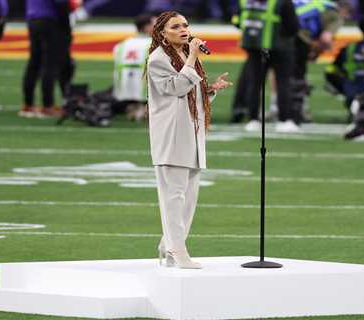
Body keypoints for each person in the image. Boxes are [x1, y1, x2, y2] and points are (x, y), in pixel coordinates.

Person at [146, 11, 232, 268]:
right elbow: (175, 88)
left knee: (189, 196)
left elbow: (190, 92)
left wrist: (210, 90)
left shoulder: (183, 54)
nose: (184, 29)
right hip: (171, 135)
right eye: (176, 26)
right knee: (173, 195)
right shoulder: (157, 59)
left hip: (192, 133)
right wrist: (194, 56)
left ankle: (169, 242)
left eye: (185, 25)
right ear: (163, 32)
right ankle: (176, 249)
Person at [267, 0, 351, 123]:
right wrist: (317, 50)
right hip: (297, 35)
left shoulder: (316, 5)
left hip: (276, 30)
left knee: (276, 69)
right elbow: (326, 39)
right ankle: (299, 108)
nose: (347, 18)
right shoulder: (335, 15)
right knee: (298, 74)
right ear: (343, 9)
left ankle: (275, 106)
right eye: (348, 14)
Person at [237, 0, 300, 133]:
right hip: (280, 48)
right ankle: (284, 119)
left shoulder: (245, 1)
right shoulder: (282, 2)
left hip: (254, 47)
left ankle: (253, 119)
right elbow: (293, 27)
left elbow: (237, 20)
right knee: (283, 83)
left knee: (255, 83)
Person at [324, 15, 364, 117]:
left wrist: (343, 86)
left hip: (351, 91)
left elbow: (331, 70)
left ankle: (353, 104)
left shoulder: (350, 47)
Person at [19, 0, 70, 118]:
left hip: (33, 18)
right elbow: (60, 2)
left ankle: (28, 104)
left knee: (34, 63)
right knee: (50, 64)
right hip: (49, 20)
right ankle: (48, 106)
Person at [112, 14, 155, 121]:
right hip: (144, 89)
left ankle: (135, 106)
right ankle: (146, 108)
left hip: (123, 89)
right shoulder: (153, 44)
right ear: (146, 27)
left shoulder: (122, 44)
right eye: (155, 25)